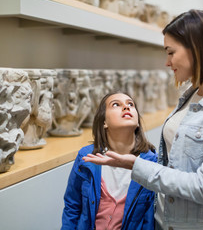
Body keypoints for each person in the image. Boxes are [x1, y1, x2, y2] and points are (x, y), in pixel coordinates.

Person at [83, 9, 203, 230]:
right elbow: (175, 163)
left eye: (171, 52)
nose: (167, 62)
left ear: (196, 50)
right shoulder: (192, 94)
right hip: (163, 222)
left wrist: (136, 166)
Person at [61, 91, 157, 230]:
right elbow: (72, 206)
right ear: (104, 122)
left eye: (131, 104)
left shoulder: (151, 163)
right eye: (116, 104)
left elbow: (150, 221)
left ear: (137, 122)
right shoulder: (87, 157)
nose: (126, 107)